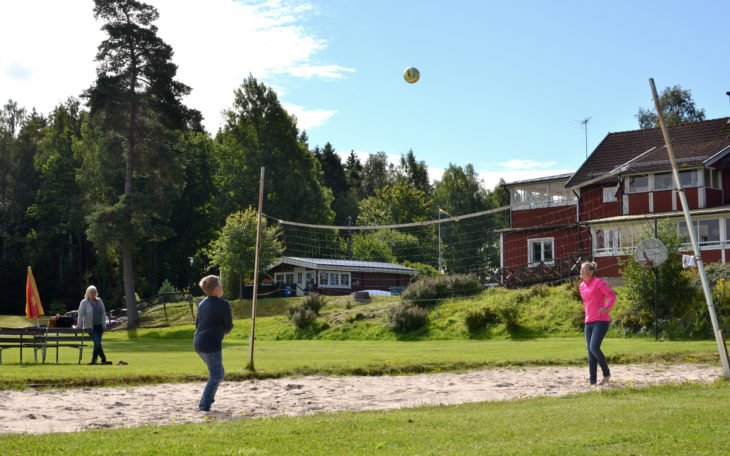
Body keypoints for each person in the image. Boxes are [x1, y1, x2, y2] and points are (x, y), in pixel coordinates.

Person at [194, 275, 233, 412]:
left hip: (198, 342)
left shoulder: (201, 304)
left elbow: (197, 324)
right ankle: (204, 405)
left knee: (218, 372)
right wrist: (225, 331)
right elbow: (228, 326)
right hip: (211, 344)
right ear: (216, 289)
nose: (222, 287)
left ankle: (208, 399)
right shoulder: (223, 304)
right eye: (220, 284)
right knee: (216, 375)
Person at [579, 261, 616, 386]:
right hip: (588, 321)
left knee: (594, 347)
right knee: (590, 352)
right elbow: (587, 303)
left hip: (601, 320)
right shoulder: (581, 286)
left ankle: (606, 374)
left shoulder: (598, 282)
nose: (581, 271)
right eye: (581, 269)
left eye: (584, 269)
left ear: (590, 272)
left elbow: (611, 295)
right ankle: (592, 382)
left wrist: (606, 308)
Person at [77, 285, 111, 365]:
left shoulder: (99, 301)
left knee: (97, 344)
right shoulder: (84, 302)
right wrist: (79, 325)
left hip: (100, 326)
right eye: (91, 292)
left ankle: (96, 360)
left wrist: (104, 325)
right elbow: (80, 314)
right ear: (87, 293)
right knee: (97, 343)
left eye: (94, 292)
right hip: (90, 326)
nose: (93, 294)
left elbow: (103, 313)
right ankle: (102, 359)